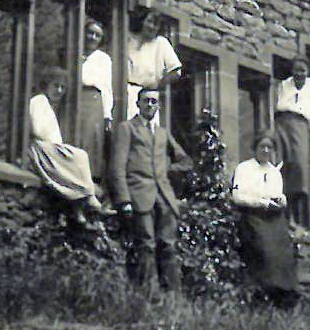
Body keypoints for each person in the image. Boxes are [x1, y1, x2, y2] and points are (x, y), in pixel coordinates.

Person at [111, 86, 192, 294]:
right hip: (139, 194)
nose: (150, 105)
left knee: (169, 245)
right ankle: (149, 297)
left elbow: (185, 161)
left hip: (164, 196)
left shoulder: (162, 133)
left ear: (159, 106)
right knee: (146, 245)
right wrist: (124, 199)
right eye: (146, 100)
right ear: (138, 104)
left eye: (154, 101)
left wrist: (167, 169)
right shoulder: (127, 128)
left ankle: (173, 299)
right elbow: (117, 167)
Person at [28, 66, 106, 224]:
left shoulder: (50, 106)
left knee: (79, 157)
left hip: (50, 148)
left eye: (62, 87)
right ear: (46, 85)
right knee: (80, 156)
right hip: (40, 148)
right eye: (55, 86)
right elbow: (38, 130)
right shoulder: (38, 101)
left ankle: (81, 205)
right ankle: (89, 194)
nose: (59, 90)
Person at [231, 130, 298, 308]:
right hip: (252, 215)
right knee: (265, 250)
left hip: (274, 218)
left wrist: (281, 200)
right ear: (255, 148)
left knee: (284, 252)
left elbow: (279, 195)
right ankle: (262, 294)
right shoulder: (244, 168)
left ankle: (283, 298)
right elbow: (237, 196)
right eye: (262, 146)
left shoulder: (275, 172)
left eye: (270, 147)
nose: (266, 150)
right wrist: (261, 203)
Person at [273, 57, 310, 226]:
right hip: (281, 124)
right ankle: (280, 211)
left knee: (299, 167)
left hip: (300, 126)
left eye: (303, 71)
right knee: (280, 165)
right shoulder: (283, 85)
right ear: (292, 70)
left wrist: (309, 127)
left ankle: (296, 213)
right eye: (296, 70)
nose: (299, 74)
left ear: (308, 72)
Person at [126, 8, 182, 120]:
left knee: (147, 131)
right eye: (149, 21)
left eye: (156, 24)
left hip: (147, 95)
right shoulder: (128, 39)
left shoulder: (161, 43)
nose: (152, 27)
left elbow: (176, 72)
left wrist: (157, 85)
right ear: (142, 21)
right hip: (126, 91)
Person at [80, 18, 114, 183]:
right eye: (90, 33)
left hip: (93, 100)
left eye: (97, 35)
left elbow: (106, 87)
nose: (93, 37)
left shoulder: (103, 59)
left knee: (90, 140)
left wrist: (107, 115)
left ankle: (90, 181)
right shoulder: (75, 52)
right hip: (74, 98)